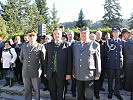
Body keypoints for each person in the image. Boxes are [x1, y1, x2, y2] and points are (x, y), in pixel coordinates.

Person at [73, 26, 101, 100]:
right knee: (80, 95)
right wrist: (73, 71)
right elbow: (74, 59)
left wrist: (97, 74)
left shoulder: (95, 45)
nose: (83, 34)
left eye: (85, 33)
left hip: (89, 75)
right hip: (78, 73)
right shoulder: (75, 45)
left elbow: (98, 60)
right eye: (81, 33)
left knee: (89, 96)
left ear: (88, 34)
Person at [44, 27, 72, 100]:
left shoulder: (67, 45)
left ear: (61, 34)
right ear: (53, 35)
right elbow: (46, 59)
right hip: (51, 73)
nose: (56, 35)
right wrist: (45, 72)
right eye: (55, 34)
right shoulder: (48, 45)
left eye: (58, 34)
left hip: (62, 73)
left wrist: (68, 73)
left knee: (61, 92)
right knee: (52, 92)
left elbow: (69, 61)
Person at [20, 29, 46, 100]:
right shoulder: (24, 46)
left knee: (37, 90)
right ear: (28, 37)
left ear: (36, 36)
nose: (31, 37)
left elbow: (43, 59)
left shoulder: (40, 46)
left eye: (33, 35)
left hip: (35, 72)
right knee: (27, 91)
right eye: (30, 36)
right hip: (26, 71)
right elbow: (21, 58)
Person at [105, 26, 123, 100]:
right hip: (111, 64)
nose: (115, 33)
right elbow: (106, 52)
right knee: (110, 79)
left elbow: (123, 52)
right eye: (114, 32)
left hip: (118, 64)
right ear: (112, 33)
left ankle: (117, 92)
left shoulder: (122, 42)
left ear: (119, 33)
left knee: (118, 79)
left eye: (117, 32)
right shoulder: (108, 41)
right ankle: (110, 92)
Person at [66, 30, 76, 97]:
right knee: (65, 78)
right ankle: (65, 90)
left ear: (73, 35)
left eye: (71, 34)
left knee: (74, 79)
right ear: (67, 35)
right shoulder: (64, 43)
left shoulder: (77, 43)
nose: (70, 35)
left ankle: (73, 91)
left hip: (74, 63)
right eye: (69, 34)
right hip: (66, 63)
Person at [123, 29, 133, 100]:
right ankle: (127, 88)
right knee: (128, 76)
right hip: (129, 62)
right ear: (131, 35)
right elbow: (126, 53)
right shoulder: (127, 43)